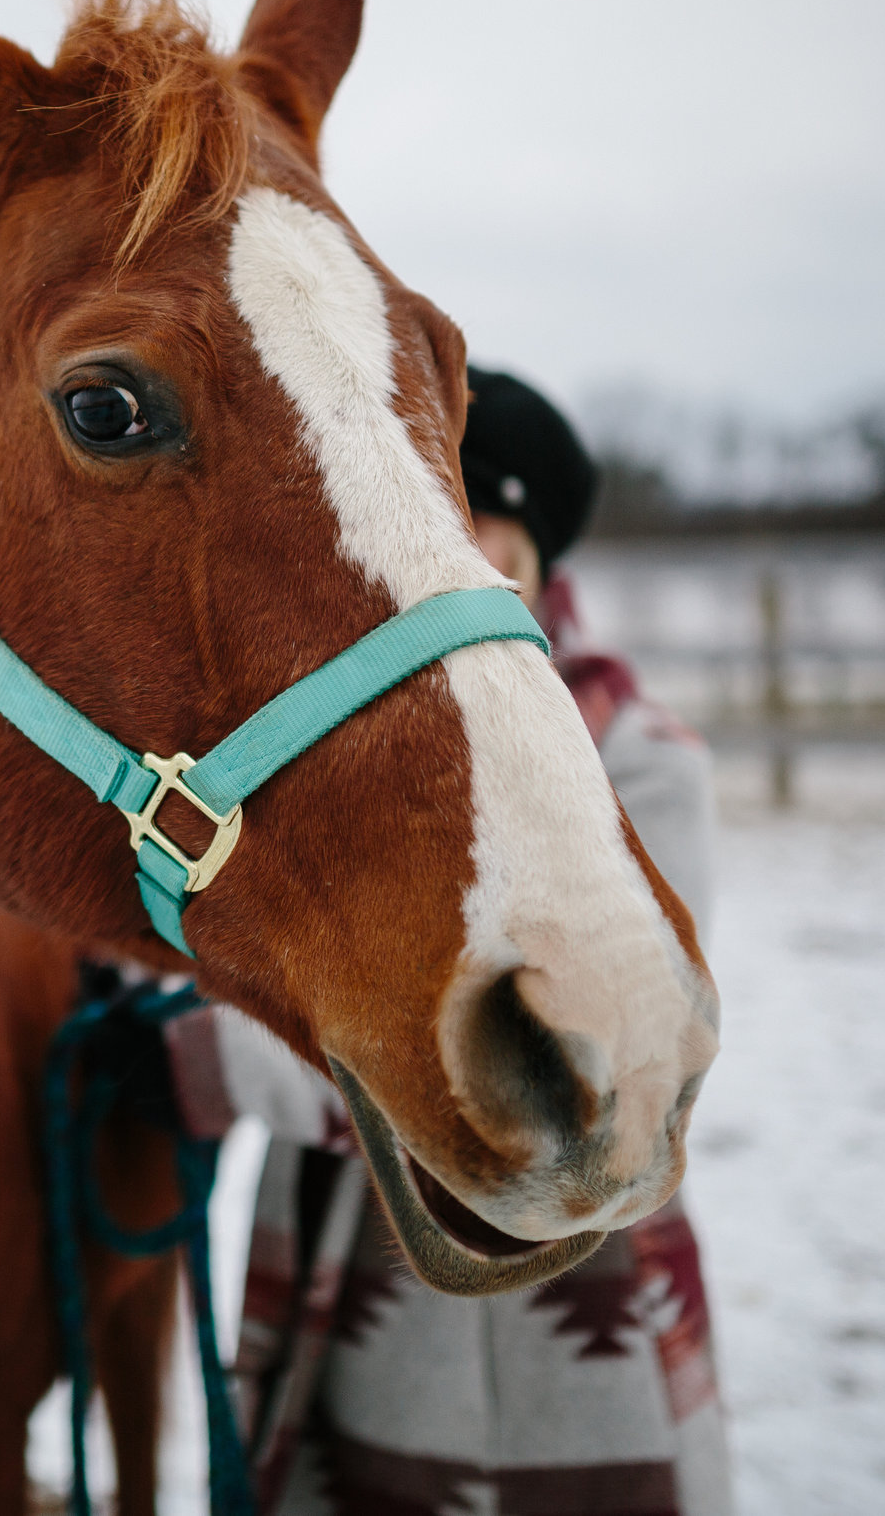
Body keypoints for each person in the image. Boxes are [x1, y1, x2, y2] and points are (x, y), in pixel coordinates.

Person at [184, 368, 731, 1516]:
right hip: (360, 1221)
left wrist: (205, 1064)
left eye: (496, 561)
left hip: (556, 1234)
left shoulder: (640, 755)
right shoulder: (363, 739)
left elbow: (556, 1045)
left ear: (543, 565)